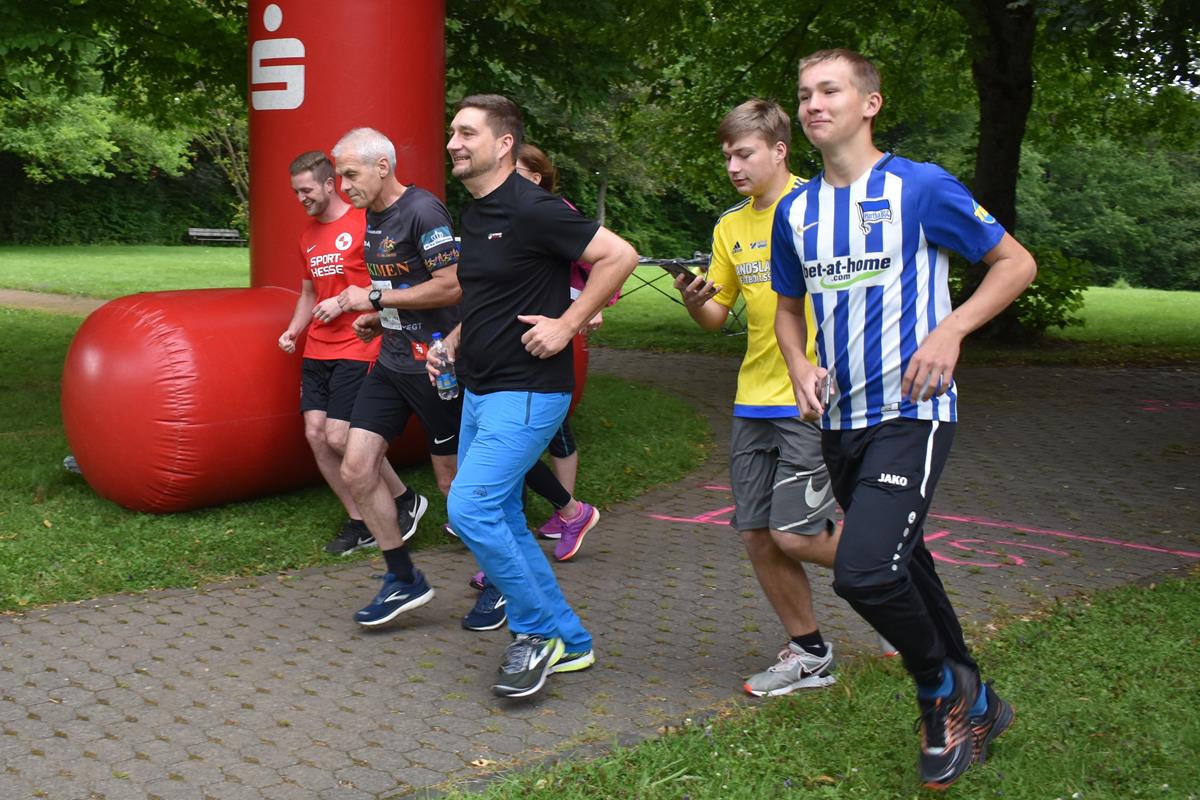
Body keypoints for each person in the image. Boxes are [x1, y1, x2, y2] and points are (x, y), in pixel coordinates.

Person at [772, 49, 1034, 789]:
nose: (814, 103)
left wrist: (950, 331)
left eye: (829, 90)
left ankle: (938, 692)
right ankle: (978, 694)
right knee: (904, 561)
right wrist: (797, 364)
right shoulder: (798, 210)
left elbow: (1015, 264)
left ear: (869, 104)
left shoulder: (919, 187)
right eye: (804, 94)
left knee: (862, 572)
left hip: (913, 412)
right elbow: (789, 310)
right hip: (839, 420)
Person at [435, 94, 638, 698]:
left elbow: (619, 256)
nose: (453, 143)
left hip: (526, 391)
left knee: (468, 508)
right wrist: (453, 339)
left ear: (503, 144)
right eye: (452, 132)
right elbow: (488, 294)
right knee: (495, 515)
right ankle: (569, 640)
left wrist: (568, 323)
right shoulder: (476, 211)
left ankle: (532, 632)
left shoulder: (532, 206)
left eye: (467, 132)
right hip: (480, 386)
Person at [671, 100, 840, 698]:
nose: (734, 166)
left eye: (744, 154)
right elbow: (717, 317)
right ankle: (812, 652)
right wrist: (694, 298)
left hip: (814, 395)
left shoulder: (824, 207)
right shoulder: (729, 226)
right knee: (757, 534)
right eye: (727, 157)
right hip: (752, 399)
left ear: (779, 150)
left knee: (798, 531)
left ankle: (896, 576)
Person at [327, 127, 463, 629]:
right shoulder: (373, 216)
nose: (343, 185)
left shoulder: (423, 211)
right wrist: (378, 315)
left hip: (436, 365)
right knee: (356, 468)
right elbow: (396, 283)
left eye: (350, 174)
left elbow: (450, 288)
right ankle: (403, 577)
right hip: (391, 359)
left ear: (382, 166)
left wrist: (376, 299)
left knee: (455, 482)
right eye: (340, 176)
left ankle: (498, 581)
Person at [278, 151, 414, 557]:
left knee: (341, 435)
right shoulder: (306, 235)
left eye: (306, 190)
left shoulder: (363, 224)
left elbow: (391, 288)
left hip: (360, 342)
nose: (301, 198)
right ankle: (360, 521)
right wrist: (294, 329)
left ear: (328, 183)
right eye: (295, 192)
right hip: (318, 346)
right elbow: (308, 293)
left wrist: (347, 305)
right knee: (316, 436)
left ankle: (403, 499)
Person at [514, 143, 612, 554]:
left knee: (541, 426)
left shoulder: (554, 212)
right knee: (522, 428)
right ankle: (563, 511)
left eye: (514, 170)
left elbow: (608, 262)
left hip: (552, 329)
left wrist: (586, 306)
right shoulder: (507, 213)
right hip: (518, 329)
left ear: (536, 177)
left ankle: (566, 511)